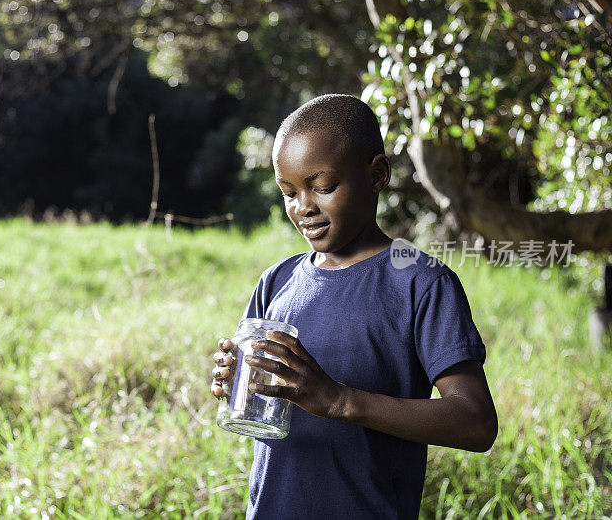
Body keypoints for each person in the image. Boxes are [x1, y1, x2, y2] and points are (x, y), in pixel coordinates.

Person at [209, 94, 497, 519]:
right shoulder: (277, 281)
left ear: (378, 174)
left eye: (322, 187)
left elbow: (475, 422)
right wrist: (235, 380)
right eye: (288, 192)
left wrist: (339, 401)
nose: (303, 207)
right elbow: (265, 394)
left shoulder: (420, 283)